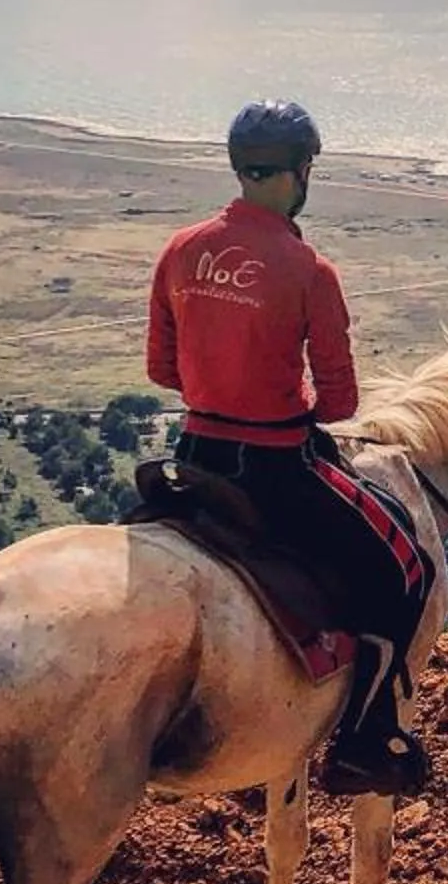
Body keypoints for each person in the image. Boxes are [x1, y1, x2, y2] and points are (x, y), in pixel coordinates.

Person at [146, 98, 433, 799]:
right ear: (300, 172)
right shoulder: (310, 270)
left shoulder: (181, 249)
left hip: (192, 459)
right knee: (406, 570)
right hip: (276, 468)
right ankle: (362, 743)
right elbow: (337, 407)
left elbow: (162, 371)